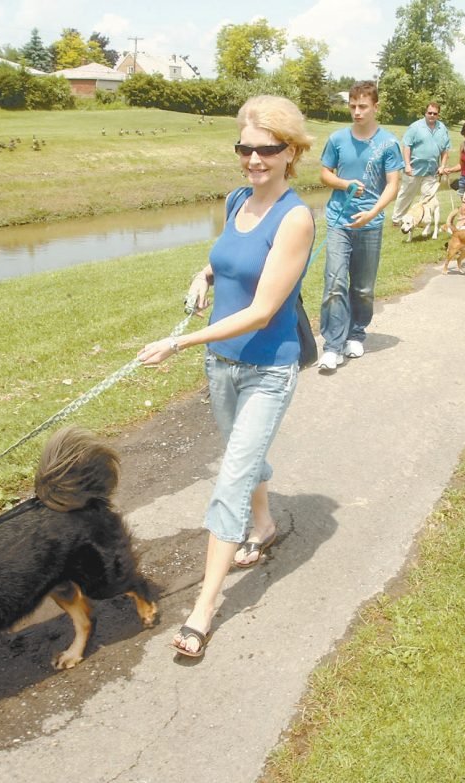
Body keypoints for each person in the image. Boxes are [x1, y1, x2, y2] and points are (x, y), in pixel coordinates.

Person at [137, 95, 315, 658]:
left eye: (268, 149)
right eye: (246, 147)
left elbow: (263, 310)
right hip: (222, 365)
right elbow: (228, 259)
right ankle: (262, 527)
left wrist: (177, 341)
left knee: (231, 479)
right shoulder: (237, 198)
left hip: (267, 369)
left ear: (291, 152)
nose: (254, 159)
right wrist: (202, 273)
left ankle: (204, 609)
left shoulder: (296, 218)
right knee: (245, 452)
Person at [315, 80, 402, 372]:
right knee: (335, 283)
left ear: (375, 107)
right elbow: (324, 174)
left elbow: (393, 185)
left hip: (371, 223)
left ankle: (356, 333)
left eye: (363, 106)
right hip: (339, 220)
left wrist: (373, 212)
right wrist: (344, 183)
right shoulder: (337, 139)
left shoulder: (389, 143)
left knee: (363, 288)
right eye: (352, 106)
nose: (356, 112)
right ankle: (332, 346)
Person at [391, 102, 450, 225]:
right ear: (425, 113)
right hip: (413, 168)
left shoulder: (442, 128)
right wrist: (407, 165)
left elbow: (445, 149)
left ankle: (422, 220)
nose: (432, 115)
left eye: (435, 113)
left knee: (427, 198)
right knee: (406, 194)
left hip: (432, 170)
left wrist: (443, 166)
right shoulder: (415, 127)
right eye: (430, 113)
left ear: (438, 115)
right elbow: (406, 146)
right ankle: (397, 220)